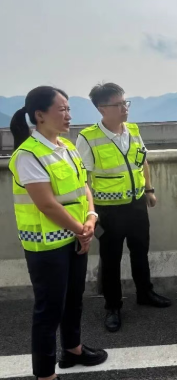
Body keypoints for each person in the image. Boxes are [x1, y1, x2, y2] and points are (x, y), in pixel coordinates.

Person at [8, 86, 107, 380]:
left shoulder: (67, 147)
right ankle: (45, 375)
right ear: (40, 115)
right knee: (49, 309)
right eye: (61, 109)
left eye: (68, 109)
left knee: (74, 298)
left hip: (75, 237)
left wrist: (91, 218)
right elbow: (47, 204)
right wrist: (82, 231)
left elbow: (83, 186)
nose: (68, 115)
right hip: (47, 245)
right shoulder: (28, 154)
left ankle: (73, 349)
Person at [75, 83, 171, 333]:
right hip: (108, 210)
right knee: (111, 259)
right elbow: (82, 180)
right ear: (102, 109)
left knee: (140, 251)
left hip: (136, 205)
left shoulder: (133, 130)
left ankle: (145, 293)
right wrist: (90, 213)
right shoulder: (88, 138)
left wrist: (149, 190)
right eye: (118, 104)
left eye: (125, 103)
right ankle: (113, 307)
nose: (125, 108)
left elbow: (142, 161)